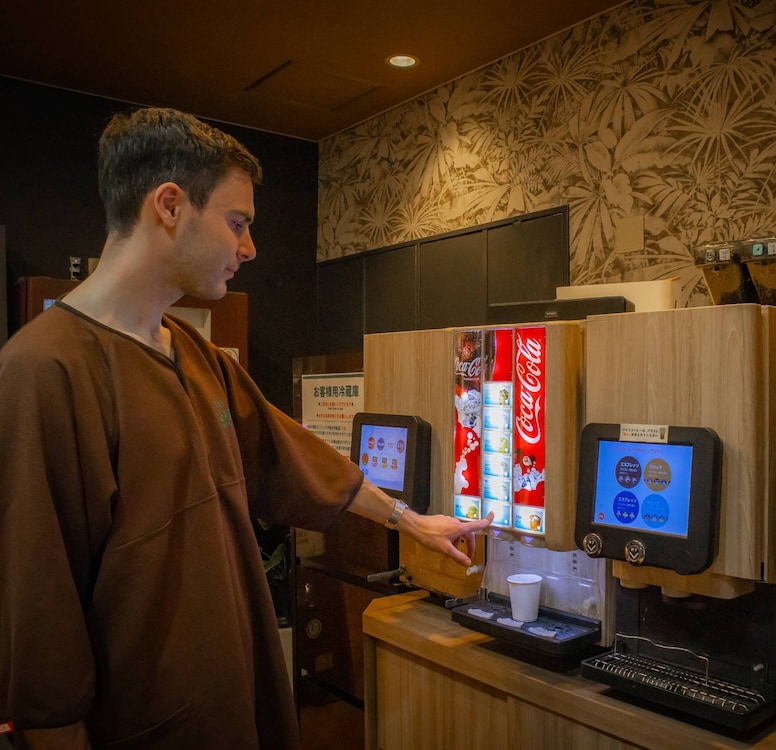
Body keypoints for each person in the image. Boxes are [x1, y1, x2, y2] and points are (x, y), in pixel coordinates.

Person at [0, 107, 493, 749]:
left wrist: (411, 522)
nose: (250, 248)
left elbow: (287, 455)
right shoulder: (44, 369)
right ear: (169, 206)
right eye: (237, 223)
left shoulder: (192, 353)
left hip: (232, 701)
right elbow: (40, 616)